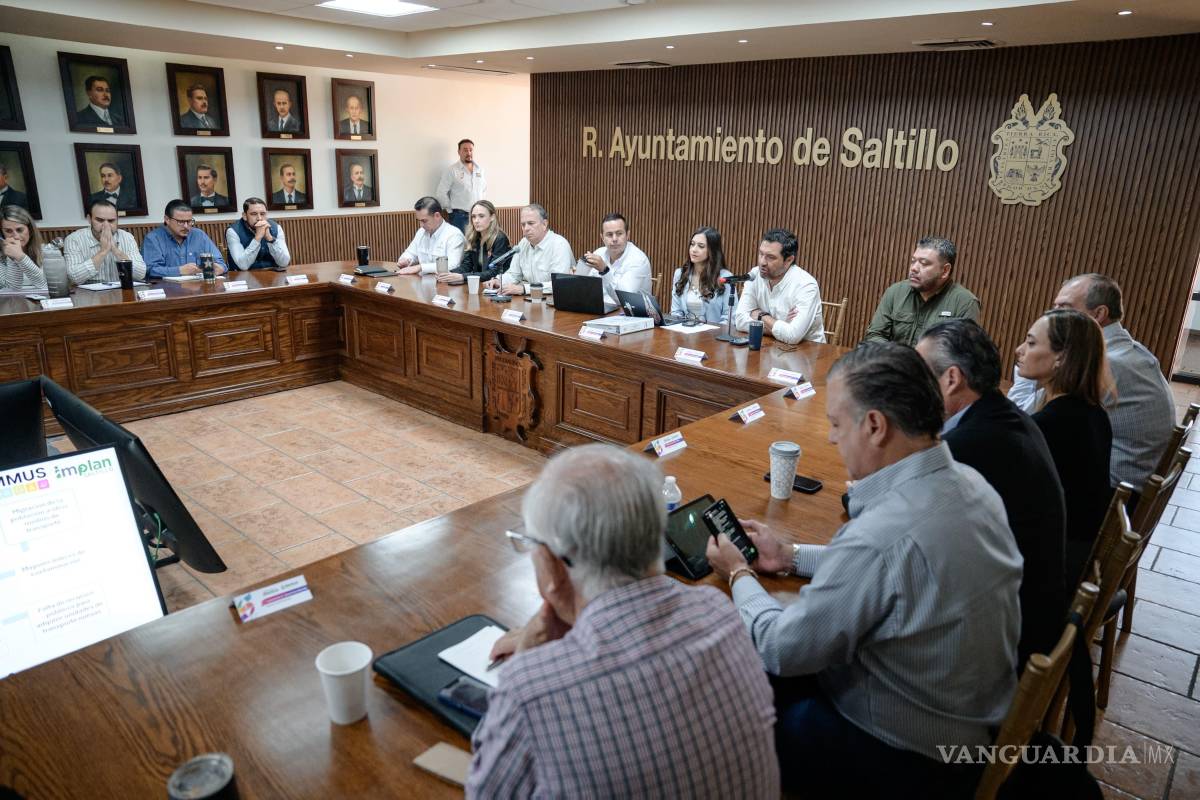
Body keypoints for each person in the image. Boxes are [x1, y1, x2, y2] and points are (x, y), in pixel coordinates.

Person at [705, 341, 1021, 798]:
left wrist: (739, 575)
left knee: (728, 703)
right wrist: (791, 556)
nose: (832, 439)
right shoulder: (974, 485)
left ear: (875, 425)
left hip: (902, 757)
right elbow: (890, 572)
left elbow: (780, 647)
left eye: (836, 424)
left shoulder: (881, 536)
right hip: (973, 727)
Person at [470, 444, 779, 797]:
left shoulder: (529, 690)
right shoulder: (719, 613)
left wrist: (526, 661)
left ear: (554, 565)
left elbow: (484, 792)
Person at [916, 320, 1066, 669]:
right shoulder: (1004, 415)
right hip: (1030, 606)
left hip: (1004, 639)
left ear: (951, 380)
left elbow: (897, 529)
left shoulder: (970, 444)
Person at [1010, 274, 1175, 495]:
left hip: (1115, 492)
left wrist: (1024, 372)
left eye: (1064, 308)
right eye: (1054, 307)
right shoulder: (1128, 349)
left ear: (1099, 314)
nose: (1052, 315)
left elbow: (1020, 416)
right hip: (1127, 478)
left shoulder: (1101, 362)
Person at [1016, 309, 1114, 587]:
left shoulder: (1053, 423)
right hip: (1079, 548)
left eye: (1032, 343)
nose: (1019, 350)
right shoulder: (1092, 410)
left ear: (1061, 357)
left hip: (1054, 566)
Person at [864, 236, 980, 346]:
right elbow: (874, 335)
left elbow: (962, 353)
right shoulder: (895, 292)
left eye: (924, 263)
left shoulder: (965, 303)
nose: (914, 268)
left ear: (945, 271)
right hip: (895, 363)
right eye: (913, 261)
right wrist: (899, 357)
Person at [733, 228, 825, 344]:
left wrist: (762, 315)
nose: (762, 262)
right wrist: (782, 327)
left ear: (789, 260)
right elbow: (740, 321)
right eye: (761, 254)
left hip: (809, 353)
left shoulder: (806, 285)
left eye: (770, 257)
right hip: (770, 347)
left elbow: (792, 336)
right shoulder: (755, 275)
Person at [494, 203, 574, 296]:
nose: (526, 228)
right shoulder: (523, 243)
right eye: (523, 224)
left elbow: (558, 284)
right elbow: (514, 275)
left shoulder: (559, 244)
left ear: (544, 224)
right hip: (532, 300)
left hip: (555, 302)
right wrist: (499, 280)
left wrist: (524, 289)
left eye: (531, 223)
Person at [63, 199, 147, 285]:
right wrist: (103, 252)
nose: (106, 225)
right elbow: (74, 278)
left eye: (111, 221)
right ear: (89, 219)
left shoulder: (127, 237)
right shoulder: (74, 239)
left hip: (122, 292)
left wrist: (116, 252)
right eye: (100, 220)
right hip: (90, 295)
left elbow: (141, 274)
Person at [579, 212, 652, 305]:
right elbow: (585, 289)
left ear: (627, 235)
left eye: (619, 233)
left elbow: (624, 300)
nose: (614, 239)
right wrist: (576, 277)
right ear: (602, 237)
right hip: (602, 310)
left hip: (632, 315)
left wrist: (604, 270)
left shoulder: (638, 259)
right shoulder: (599, 253)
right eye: (609, 234)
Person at [143, 199, 227, 279]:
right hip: (169, 290)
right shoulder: (153, 239)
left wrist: (220, 268)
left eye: (189, 221)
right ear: (167, 219)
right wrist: (179, 270)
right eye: (181, 222)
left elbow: (221, 263)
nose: (186, 226)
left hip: (199, 288)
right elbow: (150, 270)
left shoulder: (199, 235)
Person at [670, 226, 734, 323]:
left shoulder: (725, 277)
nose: (694, 250)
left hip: (712, 335)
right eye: (692, 244)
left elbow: (729, 318)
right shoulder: (680, 274)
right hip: (683, 333)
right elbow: (676, 313)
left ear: (712, 250)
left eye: (701, 246)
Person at [441, 200, 510, 285]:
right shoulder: (473, 237)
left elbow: (494, 272)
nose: (476, 221)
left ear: (492, 217)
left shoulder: (500, 238)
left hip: (497, 286)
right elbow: (467, 266)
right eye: (473, 217)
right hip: (480, 284)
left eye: (481, 216)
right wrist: (448, 274)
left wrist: (463, 277)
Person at [395, 197, 465, 275]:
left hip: (445, 283)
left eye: (424, 221)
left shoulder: (454, 235)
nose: (421, 225)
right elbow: (410, 253)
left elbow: (453, 265)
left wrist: (420, 267)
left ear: (437, 216)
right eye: (419, 221)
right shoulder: (421, 232)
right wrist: (405, 260)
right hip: (423, 281)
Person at [0, 205, 56, 292]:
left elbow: (46, 285)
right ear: (2, 234)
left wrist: (21, 257)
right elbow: (11, 290)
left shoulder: (47, 250)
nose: (16, 236)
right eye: (8, 231)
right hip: (13, 303)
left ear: (30, 230)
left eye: (19, 230)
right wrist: (13, 257)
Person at [225, 197, 290, 271]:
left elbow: (284, 262)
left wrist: (270, 239)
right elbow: (243, 265)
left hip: (272, 275)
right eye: (254, 214)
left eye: (262, 214)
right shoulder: (233, 231)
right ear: (245, 216)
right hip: (244, 277)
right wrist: (257, 238)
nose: (259, 218)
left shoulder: (276, 228)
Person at [436, 139, 486, 231]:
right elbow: (441, 192)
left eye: (471, 150)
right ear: (459, 152)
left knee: (478, 245)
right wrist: (450, 211)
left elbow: (483, 190)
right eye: (465, 150)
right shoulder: (452, 170)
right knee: (461, 245)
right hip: (460, 217)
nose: (468, 152)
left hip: (479, 216)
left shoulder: (480, 170)